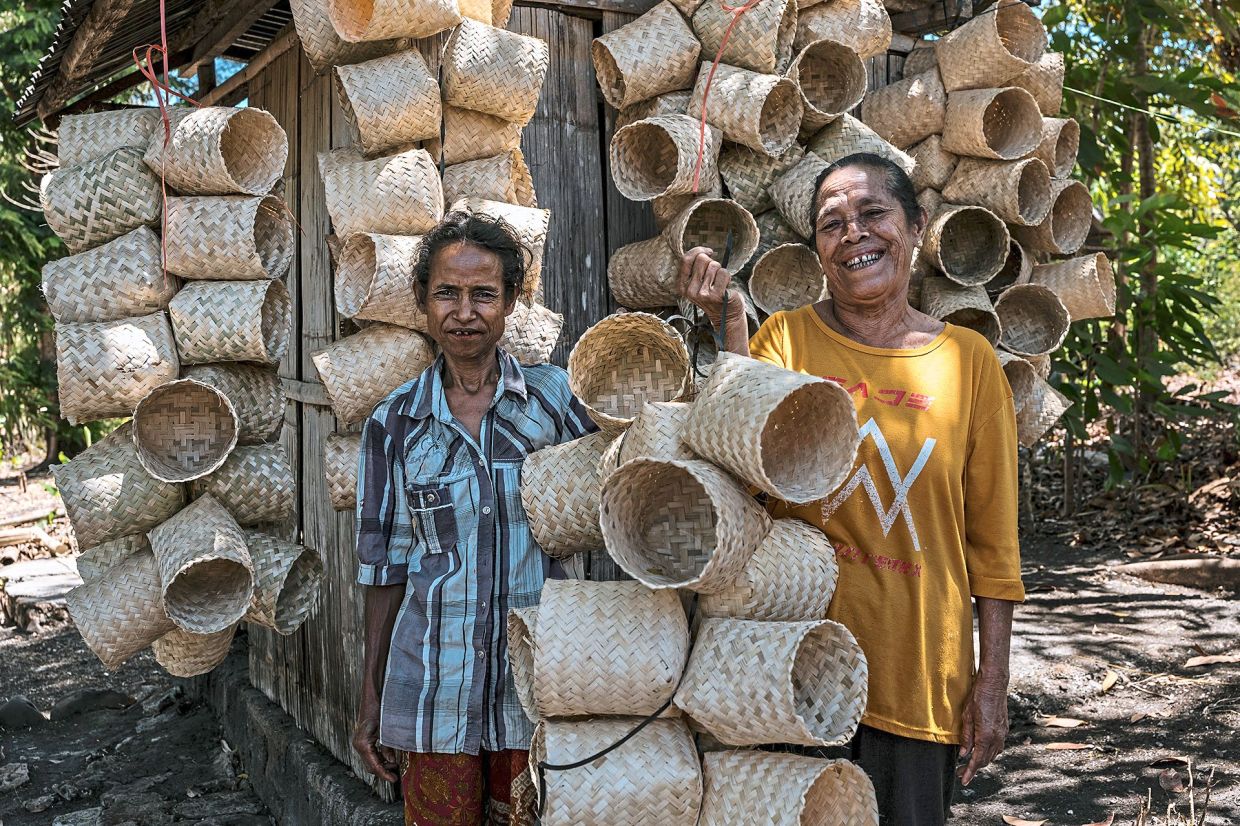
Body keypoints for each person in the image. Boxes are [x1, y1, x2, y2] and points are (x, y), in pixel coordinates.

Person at [678, 153, 1025, 826]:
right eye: (832, 224)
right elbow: (737, 472)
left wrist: (992, 683)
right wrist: (730, 319)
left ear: (916, 227)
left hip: (915, 673)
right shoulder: (785, 343)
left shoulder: (969, 364)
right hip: (788, 670)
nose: (854, 234)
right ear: (817, 250)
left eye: (873, 214)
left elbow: (994, 546)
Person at [351, 211, 597, 826]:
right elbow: (384, 567)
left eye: (484, 294)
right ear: (423, 303)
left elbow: (626, 475)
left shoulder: (556, 403)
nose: (465, 311)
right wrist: (370, 697)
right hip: (435, 692)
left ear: (510, 301)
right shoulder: (395, 424)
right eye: (447, 294)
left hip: (536, 691)